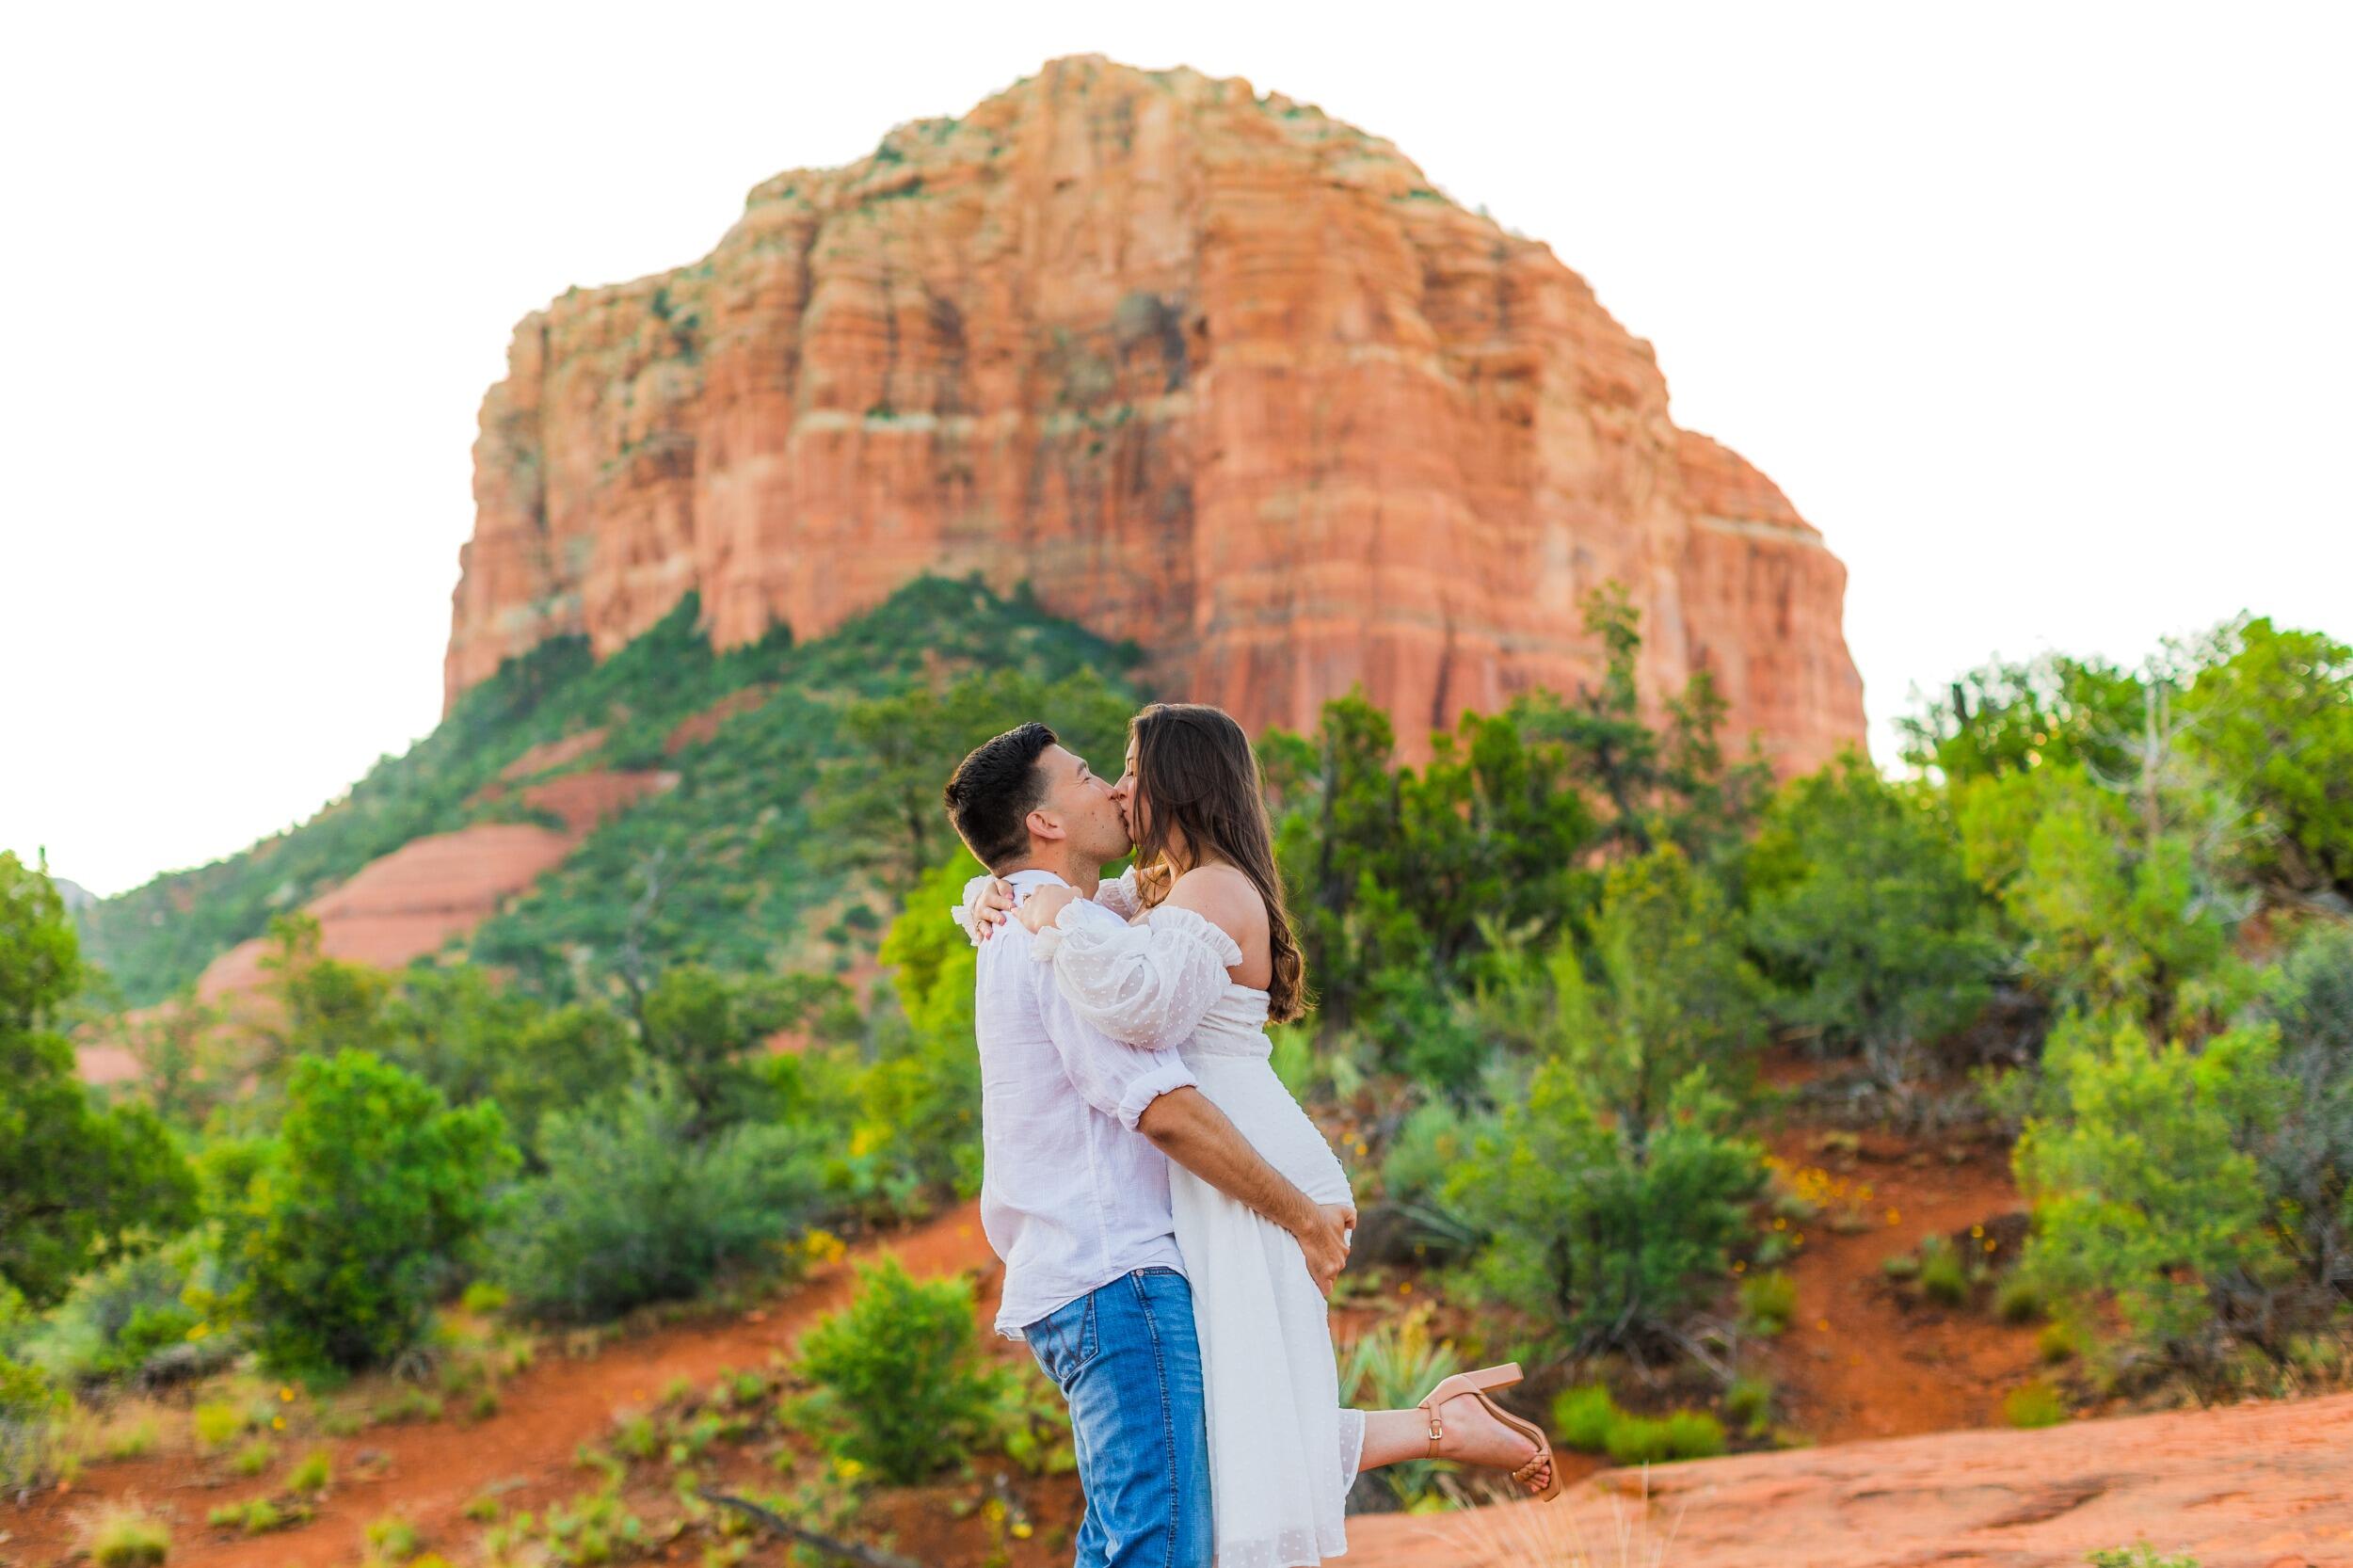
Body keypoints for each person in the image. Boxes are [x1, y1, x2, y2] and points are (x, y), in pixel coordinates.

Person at [947, 707, 1558, 1568]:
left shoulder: (1078, 928)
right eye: (1091, 774)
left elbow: (1133, 981)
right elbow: (1159, 1105)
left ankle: (1439, 1425)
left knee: (1187, 1498)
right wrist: (1008, 896)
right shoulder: (1055, 948)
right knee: (1163, 1532)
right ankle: (1440, 1426)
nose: (1115, 786)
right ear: (1043, 822)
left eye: (1122, 767)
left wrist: (1019, 898)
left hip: (1136, 1256)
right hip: (1114, 1269)